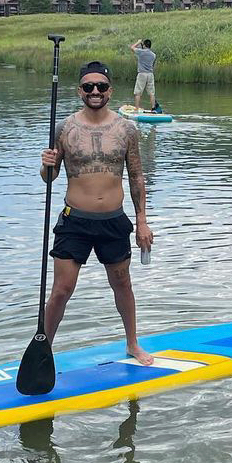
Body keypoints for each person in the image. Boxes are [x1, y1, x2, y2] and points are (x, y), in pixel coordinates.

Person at [40, 61, 155, 364]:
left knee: (122, 284)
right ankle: (43, 348)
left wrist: (142, 221)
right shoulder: (64, 128)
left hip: (113, 221)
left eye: (101, 87)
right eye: (89, 87)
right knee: (62, 290)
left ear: (109, 91)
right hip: (74, 220)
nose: (95, 91)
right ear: (80, 90)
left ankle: (132, 344)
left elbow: (137, 176)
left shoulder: (126, 129)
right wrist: (46, 164)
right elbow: (48, 178)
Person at [130, 39, 157, 109]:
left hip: (142, 74)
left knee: (138, 92)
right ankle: (153, 107)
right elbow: (153, 65)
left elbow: (132, 47)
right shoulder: (154, 55)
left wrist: (138, 42)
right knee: (151, 93)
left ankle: (137, 108)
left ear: (144, 45)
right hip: (150, 74)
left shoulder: (141, 52)